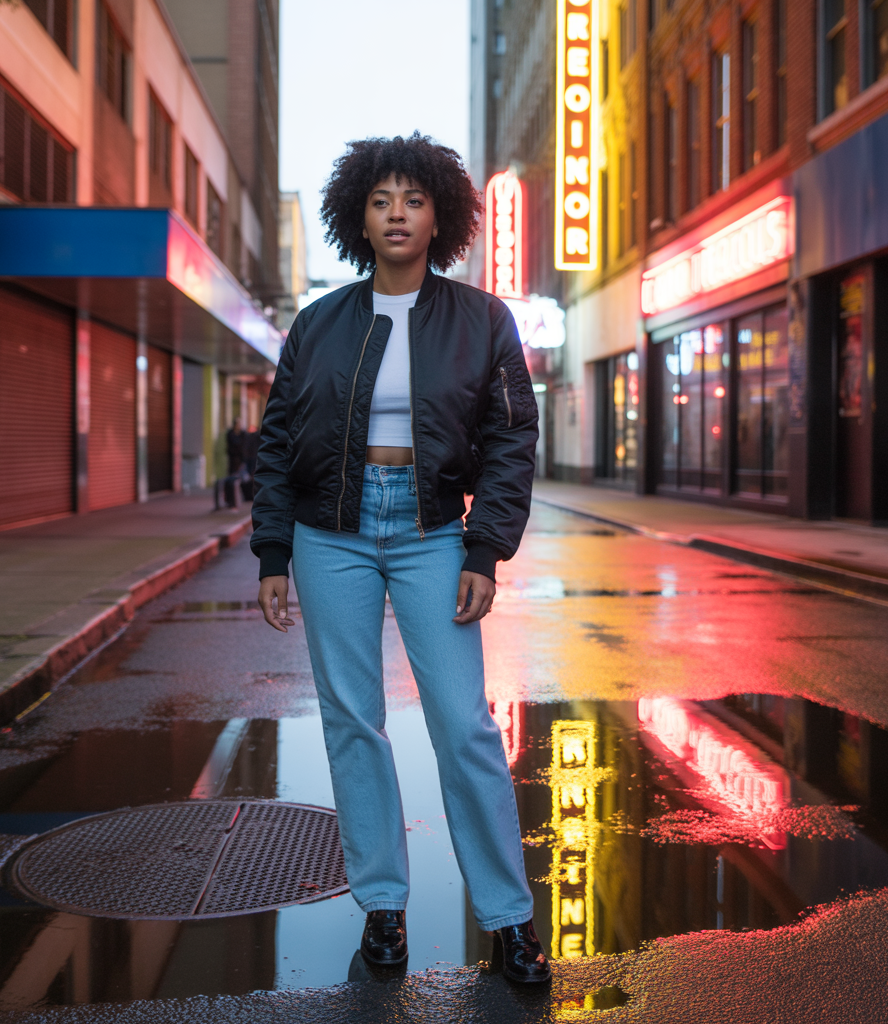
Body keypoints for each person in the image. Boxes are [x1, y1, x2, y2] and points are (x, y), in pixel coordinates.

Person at [251, 132, 549, 984]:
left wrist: (486, 547)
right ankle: (383, 907)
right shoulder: (319, 323)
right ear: (358, 217)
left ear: (439, 217)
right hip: (330, 535)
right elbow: (277, 441)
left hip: (432, 533)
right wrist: (274, 550)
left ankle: (509, 919)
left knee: (465, 725)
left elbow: (511, 439)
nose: (397, 214)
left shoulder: (482, 320)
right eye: (381, 200)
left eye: (413, 200)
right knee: (353, 721)